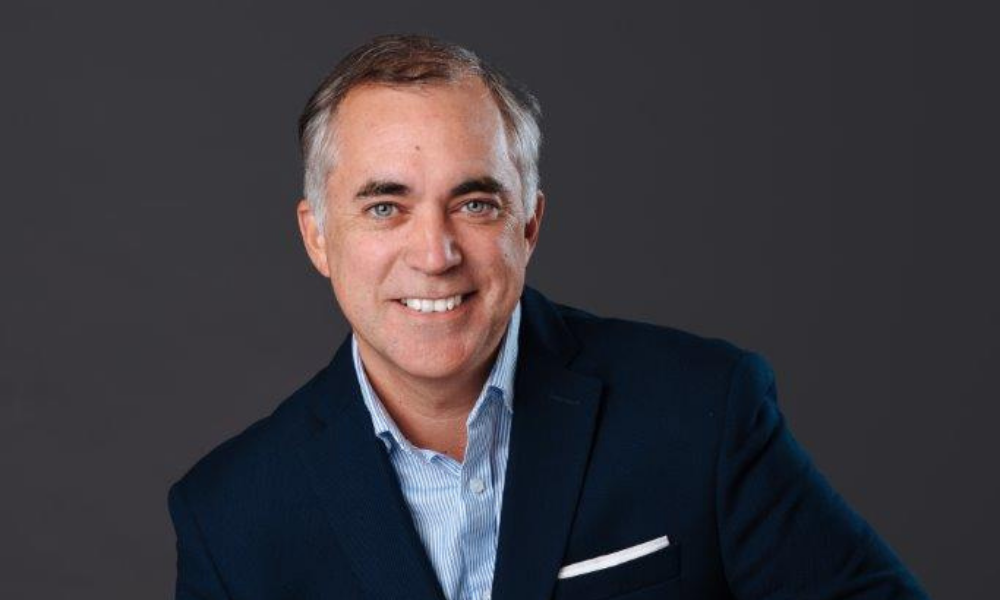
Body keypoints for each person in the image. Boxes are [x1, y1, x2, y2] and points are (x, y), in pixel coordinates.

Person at [168, 34, 930, 600]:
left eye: (475, 203)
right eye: (385, 207)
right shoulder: (231, 515)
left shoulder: (703, 412)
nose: (434, 253)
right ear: (317, 238)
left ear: (528, 225)